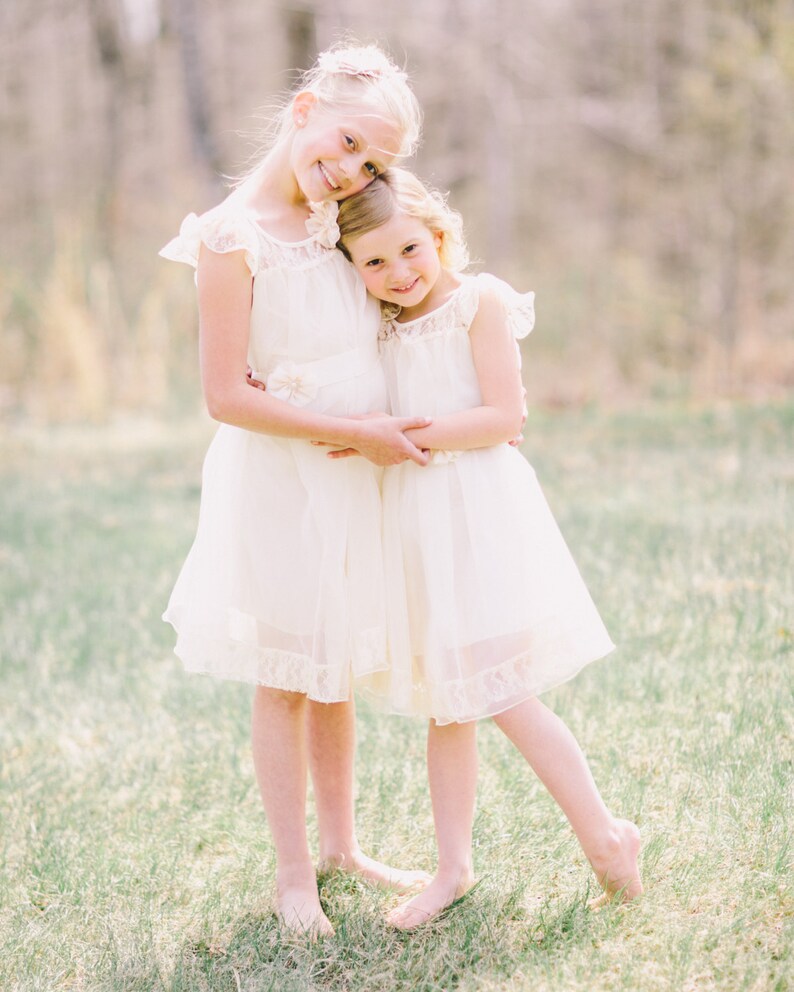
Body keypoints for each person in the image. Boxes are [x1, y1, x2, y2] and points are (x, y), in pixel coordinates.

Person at [159, 46, 433, 936]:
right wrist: (357, 434)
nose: (350, 170)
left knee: (337, 669)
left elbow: (412, 297)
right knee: (285, 673)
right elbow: (225, 394)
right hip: (282, 478)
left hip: (354, 477)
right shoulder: (231, 238)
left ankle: (343, 845)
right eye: (348, 142)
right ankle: (291, 875)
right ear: (306, 109)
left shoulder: (343, 221)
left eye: (372, 163)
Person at [334, 168, 643, 929]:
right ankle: (452, 867)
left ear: (437, 235)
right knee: (450, 700)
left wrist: (403, 439)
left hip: (479, 512)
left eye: (409, 250)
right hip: (415, 519)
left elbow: (504, 416)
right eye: (373, 263)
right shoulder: (377, 326)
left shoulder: (481, 302)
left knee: (500, 687)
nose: (397, 273)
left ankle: (606, 836)